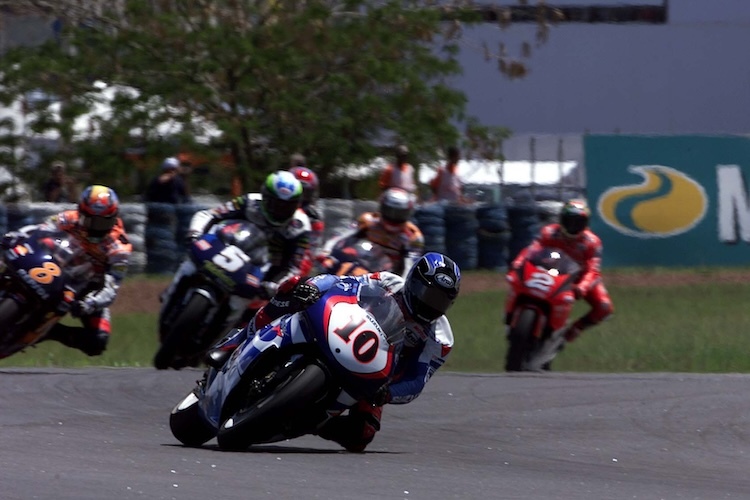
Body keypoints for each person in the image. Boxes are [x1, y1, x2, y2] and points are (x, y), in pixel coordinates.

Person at [205, 251, 461, 452]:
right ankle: (237, 340)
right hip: (340, 326)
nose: (431, 304)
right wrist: (315, 287)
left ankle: (314, 421)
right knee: (293, 287)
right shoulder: (387, 282)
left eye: (440, 300)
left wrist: (388, 393)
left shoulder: (440, 338)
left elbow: (416, 382)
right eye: (427, 294)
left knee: (362, 436)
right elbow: (344, 283)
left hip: (374, 373)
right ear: (414, 282)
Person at [183, 170, 311, 302]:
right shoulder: (249, 202)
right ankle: (171, 292)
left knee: (245, 304)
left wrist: (276, 286)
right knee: (191, 262)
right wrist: (195, 233)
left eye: (287, 207)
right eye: (275, 204)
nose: (280, 211)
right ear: (265, 197)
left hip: (258, 271)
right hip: (225, 247)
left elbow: (295, 266)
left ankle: (228, 321)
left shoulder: (300, 226)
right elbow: (210, 214)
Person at [506, 198, 614, 342]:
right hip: (550, 271)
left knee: (604, 307)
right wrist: (518, 263)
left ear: (585, 224)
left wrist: (582, 287)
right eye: (569, 221)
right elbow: (532, 249)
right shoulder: (549, 232)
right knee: (518, 283)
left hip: (579, 278)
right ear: (561, 220)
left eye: (578, 222)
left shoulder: (592, 243)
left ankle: (571, 332)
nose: (572, 226)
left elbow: (593, 270)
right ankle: (511, 315)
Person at [41, 185, 132, 355]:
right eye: (90, 220)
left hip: (85, 289)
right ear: (81, 213)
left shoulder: (120, 248)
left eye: (104, 222)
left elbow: (112, 287)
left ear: (114, 217)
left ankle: (47, 331)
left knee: (98, 341)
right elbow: (41, 229)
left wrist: (91, 303)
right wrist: (20, 237)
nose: (96, 227)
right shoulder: (69, 218)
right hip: (51, 266)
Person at [336, 187, 424, 277]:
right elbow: (342, 236)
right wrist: (327, 253)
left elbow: (410, 266)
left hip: (388, 276)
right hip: (359, 263)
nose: (393, 217)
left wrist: (402, 285)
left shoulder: (413, 236)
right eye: (389, 211)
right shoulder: (368, 220)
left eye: (399, 214)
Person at [289, 164, 324, 274]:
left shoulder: (313, 218)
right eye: (298, 190)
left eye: (306, 193)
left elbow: (309, 251)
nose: (301, 197)